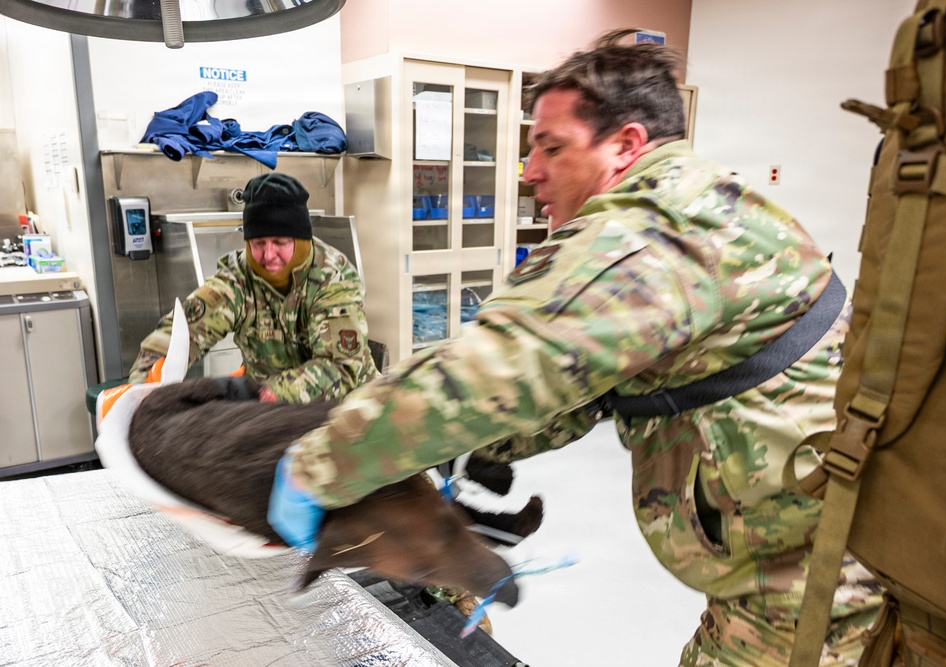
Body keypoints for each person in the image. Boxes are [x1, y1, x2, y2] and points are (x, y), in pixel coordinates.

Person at [267, 30, 882, 665]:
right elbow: (596, 379)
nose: (530, 171)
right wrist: (476, 449)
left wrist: (319, 465)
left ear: (626, 145)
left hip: (811, 594)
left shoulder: (644, 233)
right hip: (806, 564)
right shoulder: (704, 201)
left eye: (552, 147)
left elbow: (496, 368)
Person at [129, 172, 379, 403]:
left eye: (280, 242)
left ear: (301, 240)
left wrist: (274, 393)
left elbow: (340, 368)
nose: (268, 255)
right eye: (258, 243)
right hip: (267, 408)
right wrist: (144, 386)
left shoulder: (333, 279)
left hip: (347, 407)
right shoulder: (237, 278)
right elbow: (182, 332)